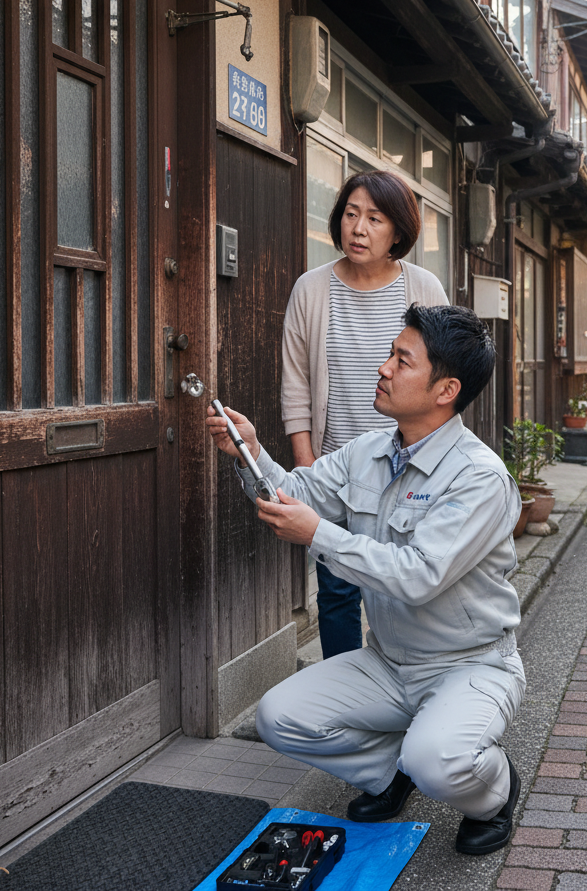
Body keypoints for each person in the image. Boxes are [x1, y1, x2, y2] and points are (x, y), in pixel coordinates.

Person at [207, 304, 524, 855]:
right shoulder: (369, 449)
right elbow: (295, 496)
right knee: (279, 718)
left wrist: (318, 537)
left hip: (469, 664)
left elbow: (419, 576)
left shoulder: (479, 479)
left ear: (446, 389)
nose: (383, 368)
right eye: (390, 354)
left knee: (440, 761)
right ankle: (391, 773)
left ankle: (493, 792)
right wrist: (251, 452)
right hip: (388, 661)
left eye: (402, 360)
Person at [282, 171, 448, 659]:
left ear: (397, 231)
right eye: (351, 214)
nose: (359, 228)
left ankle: (408, 685)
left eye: (374, 218)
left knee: (405, 590)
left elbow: (445, 379)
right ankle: (343, 701)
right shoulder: (311, 290)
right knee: (336, 594)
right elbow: (295, 387)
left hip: (408, 469)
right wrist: (308, 468)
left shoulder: (423, 288)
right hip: (337, 470)